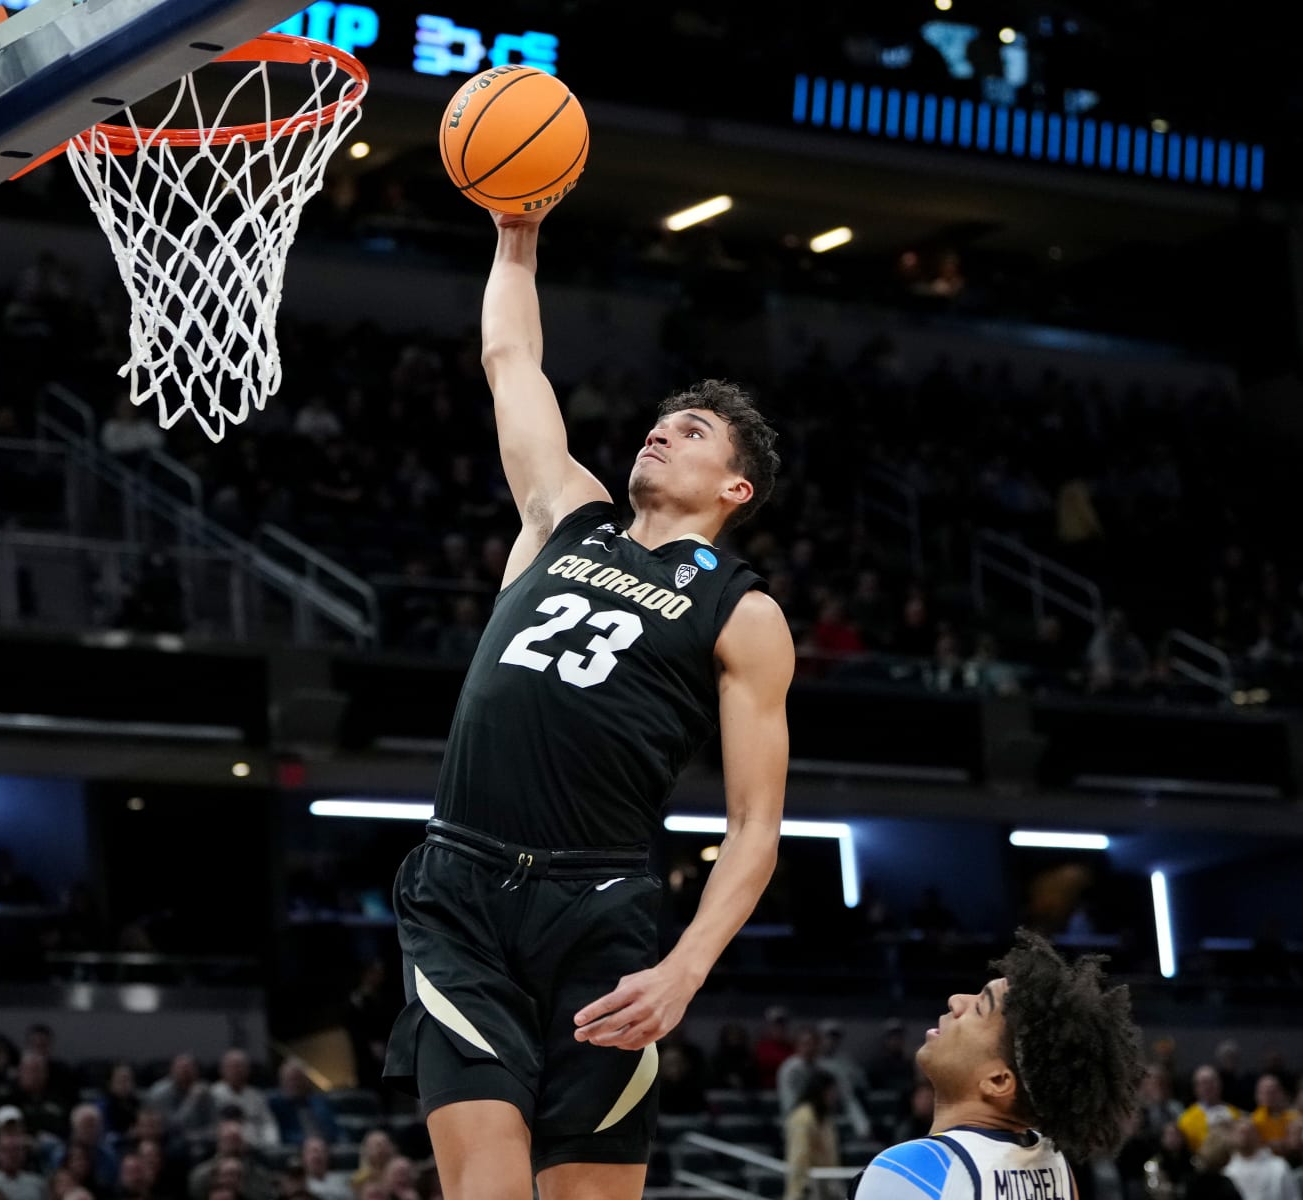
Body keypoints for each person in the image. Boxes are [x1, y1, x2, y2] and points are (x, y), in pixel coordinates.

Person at [382, 204, 791, 1200]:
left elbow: (753, 827)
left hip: (598, 907)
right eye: (662, 419)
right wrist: (515, 235)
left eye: (691, 432)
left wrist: (686, 969)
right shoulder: (567, 518)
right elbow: (510, 359)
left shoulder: (742, 614)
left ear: (734, 490)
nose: (661, 431)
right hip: (462, 888)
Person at [848, 932, 1143, 1200]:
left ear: (998, 1081)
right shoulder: (1055, 1167)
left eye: (979, 1007)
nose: (956, 1001)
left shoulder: (915, 1168)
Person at [783, 1072, 841, 1200]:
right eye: (832, 1092)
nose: (834, 1096)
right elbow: (799, 1155)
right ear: (821, 1092)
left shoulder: (825, 1119)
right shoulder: (802, 1118)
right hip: (806, 1188)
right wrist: (802, 1188)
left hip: (825, 1185)